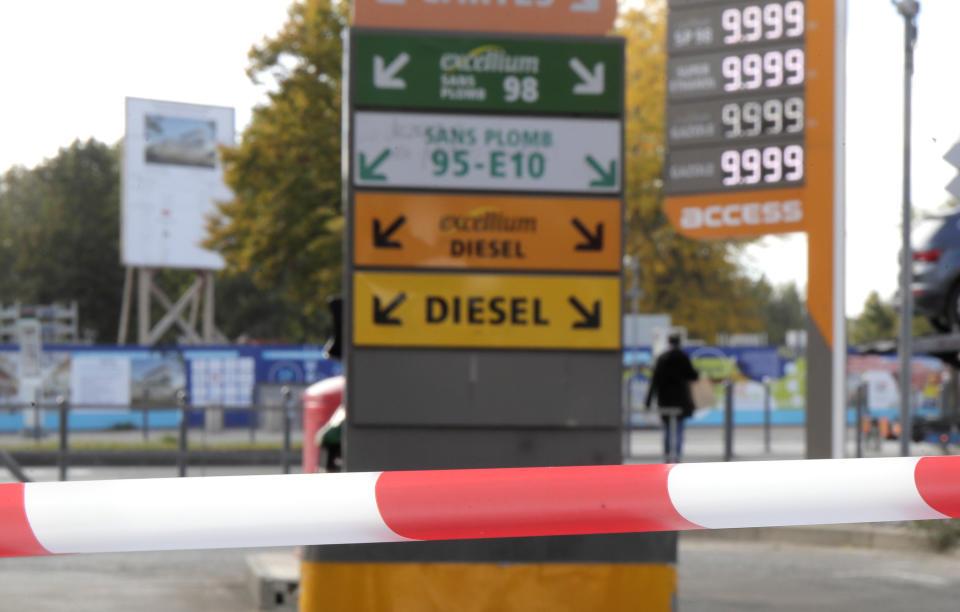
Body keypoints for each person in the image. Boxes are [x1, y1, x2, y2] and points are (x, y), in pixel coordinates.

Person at [645, 333, 699, 461]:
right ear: (679, 342)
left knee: (667, 430)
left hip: (665, 400)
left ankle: (668, 457)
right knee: (678, 430)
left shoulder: (662, 358)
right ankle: (677, 458)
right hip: (680, 400)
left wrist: (648, 401)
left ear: (668, 342)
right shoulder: (683, 357)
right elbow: (693, 376)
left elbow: (654, 381)